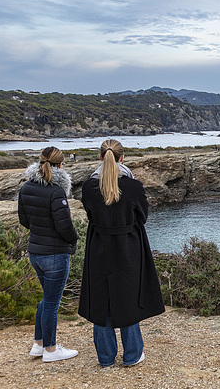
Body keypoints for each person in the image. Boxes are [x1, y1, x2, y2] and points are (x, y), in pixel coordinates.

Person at [78, 139, 165, 367]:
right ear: (122, 158)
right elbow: (143, 217)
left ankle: (105, 358)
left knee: (100, 300)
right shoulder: (133, 187)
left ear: (100, 157)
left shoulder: (88, 187)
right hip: (128, 248)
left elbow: (90, 214)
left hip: (99, 247)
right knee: (128, 299)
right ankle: (132, 355)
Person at [18, 146, 79, 362]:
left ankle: (38, 344)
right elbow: (65, 227)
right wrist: (75, 239)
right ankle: (51, 350)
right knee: (52, 303)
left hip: (35, 251)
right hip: (55, 254)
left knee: (47, 299)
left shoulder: (26, 187)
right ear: (61, 165)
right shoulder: (56, 191)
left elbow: (24, 220)